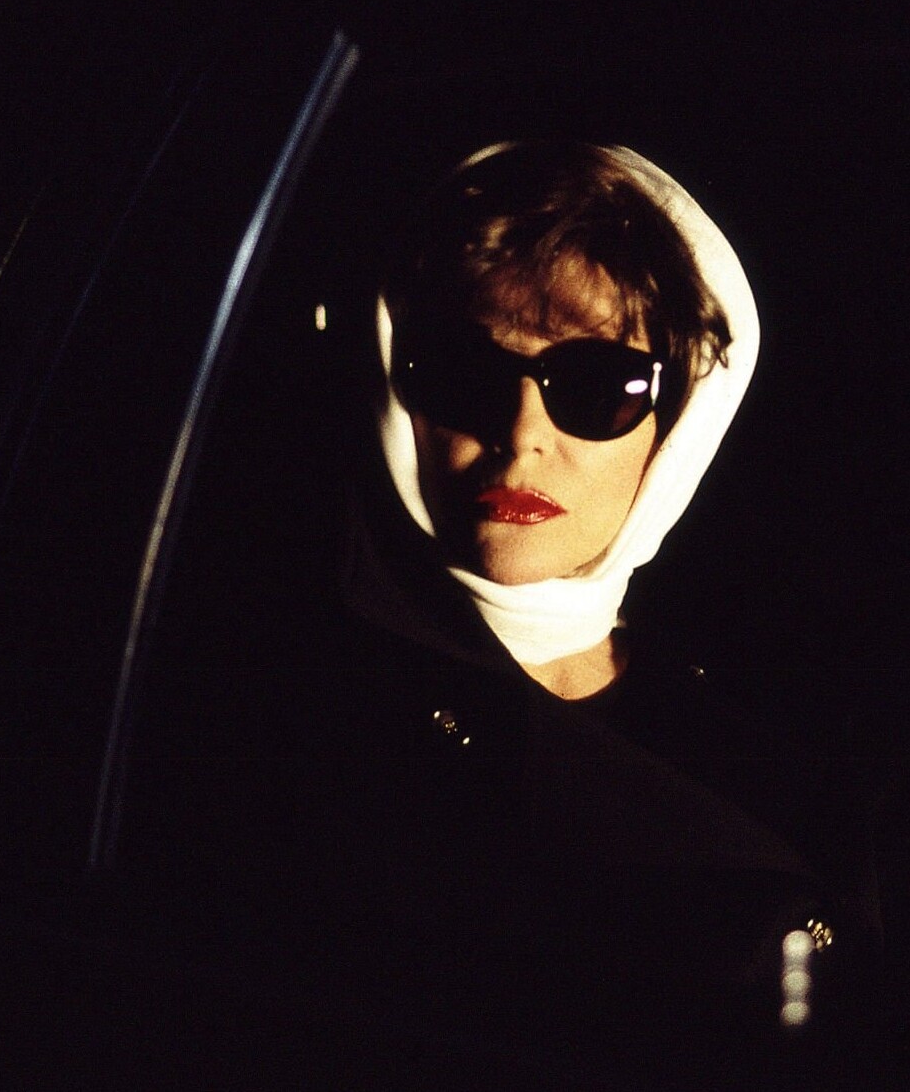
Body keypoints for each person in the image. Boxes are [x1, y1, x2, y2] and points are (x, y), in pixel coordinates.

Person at [114, 139, 900, 1090]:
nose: (521, 433)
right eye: (460, 366)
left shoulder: (791, 729)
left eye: (597, 386)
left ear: (678, 422)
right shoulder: (268, 710)